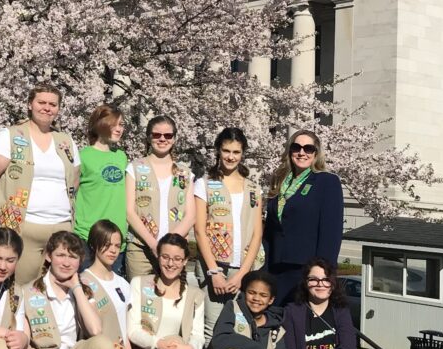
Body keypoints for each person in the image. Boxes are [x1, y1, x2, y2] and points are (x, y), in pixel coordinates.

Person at [0, 84, 80, 284]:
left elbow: (74, 183)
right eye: (41, 102)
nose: (47, 108)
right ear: (30, 104)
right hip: (23, 228)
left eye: (53, 104)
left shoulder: (66, 142)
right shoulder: (9, 135)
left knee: (56, 289)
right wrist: (4, 203)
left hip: (61, 227)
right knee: (20, 287)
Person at [194, 127, 264, 337]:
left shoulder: (253, 188)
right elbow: (199, 231)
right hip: (216, 269)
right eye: (226, 151)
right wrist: (214, 272)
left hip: (244, 270)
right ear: (218, 151)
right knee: (212, 330)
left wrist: (243, 274)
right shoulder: (204, 184)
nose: (230, 157)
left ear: (242, 154)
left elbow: (257, 234)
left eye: (236, 152)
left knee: (242, 330)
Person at [82, 219, 148, 349]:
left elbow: (124, 331)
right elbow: (89, 330)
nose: (112, 250)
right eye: (107, 244)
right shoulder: (84, 281)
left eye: (117, 245)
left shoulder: (123, 283)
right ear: (94, 245)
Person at [264, 130, 344, 306]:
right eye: (296, 147)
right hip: (276, 267)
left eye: (308, 148)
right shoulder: (279, 181)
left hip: (305, 269)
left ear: (316, 153)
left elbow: (331, 232)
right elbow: (270, 229)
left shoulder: (326, 182)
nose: (302, 153)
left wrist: (322, 274)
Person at [125, 115, 195, 280]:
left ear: (174, 138)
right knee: (140, 298)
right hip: (140, 248)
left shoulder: (184, 172)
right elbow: (129, 211)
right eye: (157, 135)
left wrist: (168, 245)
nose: (162, 139)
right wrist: (152, 243)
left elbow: (190, 215)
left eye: (167, 135)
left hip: (175, 251)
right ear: (149, 138)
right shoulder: (135, 168)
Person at [74, 106, 128, 274]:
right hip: (88, 235)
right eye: (114, 124)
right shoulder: (82, 156)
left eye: (122, 124)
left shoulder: (121, 156)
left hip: (116, 238)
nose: (119, 129)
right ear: (101, 124)